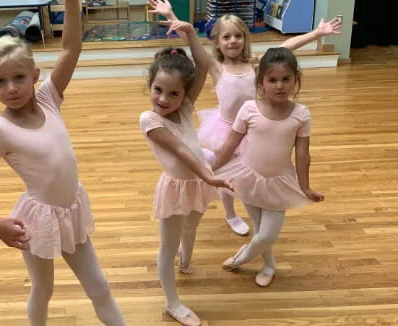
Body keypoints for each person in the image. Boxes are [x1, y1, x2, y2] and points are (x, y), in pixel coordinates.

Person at [0, 1, 126, 325]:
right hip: (37, 220)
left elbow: (71, 47)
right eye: (0, 82)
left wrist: (70, 4)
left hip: (71, 210)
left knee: (100, 285)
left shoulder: (48, 97)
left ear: (35, 76)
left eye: (19, 77)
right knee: (43, 289)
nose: (11, 88)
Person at [148, 0, 340, 236]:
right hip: (225, 129)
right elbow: (193, 43)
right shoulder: (216, 66)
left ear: (245, 39)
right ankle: (230, 213)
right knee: (227, 172)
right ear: (217, 41)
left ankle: (255, 206)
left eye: (238, 36)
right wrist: (171, 15)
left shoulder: (255, 64)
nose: (233, 41)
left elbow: (285, 47)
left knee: (248, 171)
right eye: (227, 37)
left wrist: (317, 32)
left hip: (253, 127)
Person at [139, 21, 232, 326]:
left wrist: (191, 33)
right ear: (150, 86)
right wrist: (208, 175)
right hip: (178, 185)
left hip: (197, 182)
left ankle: (187, 261)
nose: (164, 99)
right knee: (167, 246)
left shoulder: (185, 107)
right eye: (158, 90)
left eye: (173, 94)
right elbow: (180, 150)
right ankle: (172, 303)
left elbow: (204, 64)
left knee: (192, 226)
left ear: (184, 94)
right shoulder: (149, 119)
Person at [212, 47, 325, 287]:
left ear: (296, 79)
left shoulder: (301, 114)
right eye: (272, 80)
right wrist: (211, 171)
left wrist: (305, 187)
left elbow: (303, 155)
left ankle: (240, 258)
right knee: (259, 229)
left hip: (279, 182)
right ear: (261, 82)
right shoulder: (249, 109)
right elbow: (230, 146)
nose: (280, 86)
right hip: (248, 176)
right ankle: (268, 265)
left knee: (267, 235)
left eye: (286, 79)